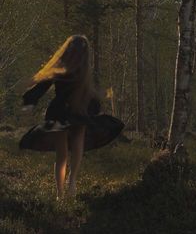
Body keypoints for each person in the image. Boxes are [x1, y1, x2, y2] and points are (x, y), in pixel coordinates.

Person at [20, 35, 124, 200]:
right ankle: (71, 182)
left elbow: (42, 85)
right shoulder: (83, 70)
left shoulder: (62, 68)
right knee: (76, 147)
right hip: (77, 113)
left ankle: (60, 193)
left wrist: (30, 102)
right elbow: (90, 93)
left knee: (62, 154)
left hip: (61, 112)